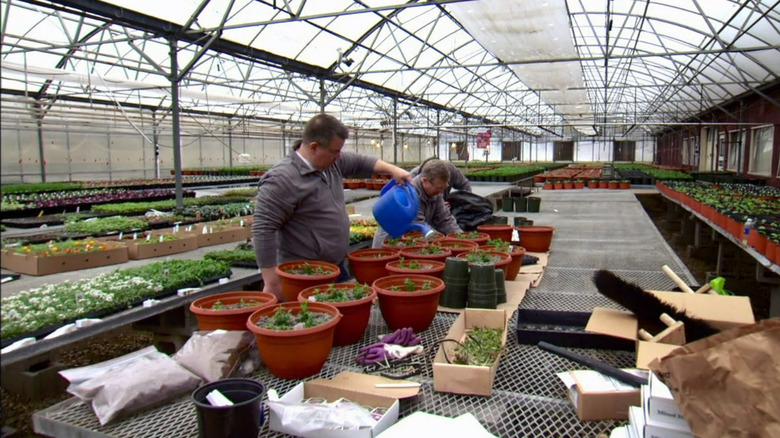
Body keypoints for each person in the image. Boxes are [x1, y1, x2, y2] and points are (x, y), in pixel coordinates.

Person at [253, 114, 412, 301]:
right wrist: (272, 282)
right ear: (314, 147)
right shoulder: (282, 179)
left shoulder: (331, 163)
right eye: (335, 152)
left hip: (335, 267)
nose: (340, 157)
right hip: (304, 275)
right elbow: (263, 229)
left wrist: (393, 170)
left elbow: (362, 161)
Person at [372, 159, 462, 248]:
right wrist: (443, 243)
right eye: (438, 188)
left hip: (409, 243)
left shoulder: (436, 194)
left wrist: (461, 237)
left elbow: (445, 219)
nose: (442, 192)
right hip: (389, 243)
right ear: (425, 180)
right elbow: (419, 226)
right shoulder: (409, 194)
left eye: (444, 187)